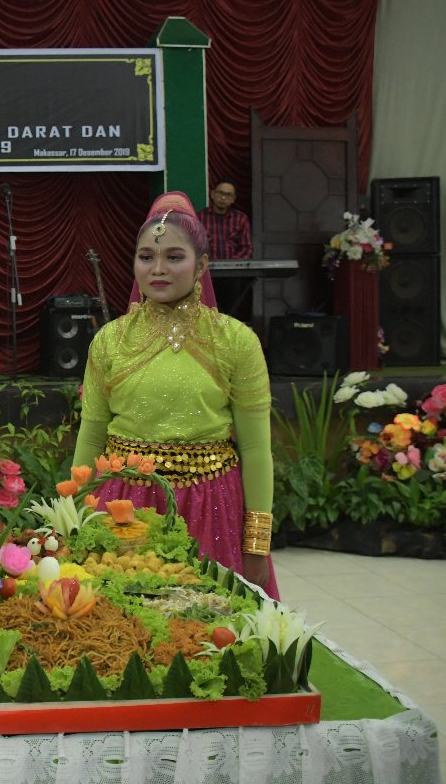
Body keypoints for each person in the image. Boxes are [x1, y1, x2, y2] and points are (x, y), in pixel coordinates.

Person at [72, 192, 278, 599]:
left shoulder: (235, 341)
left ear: (202, 265)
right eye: (146, 256)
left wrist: (257, 541)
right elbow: (91, 437)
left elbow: (256, 448)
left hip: (211, 504)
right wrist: (71, 516)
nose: (158, 269)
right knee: (122, 629)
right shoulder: (110, 340)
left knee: (207, 626)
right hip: (122, 506)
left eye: (174, 257)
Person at [196, 177, 252, 260]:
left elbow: (246, 248)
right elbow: (191, 246)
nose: (223, 198)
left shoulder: (241, 219)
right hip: (206, 269)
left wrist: (232, 264)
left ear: (233, 199)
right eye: (220, 193)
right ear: (212, 194)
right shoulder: (199, 218)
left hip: (234, 269)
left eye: (228, 195)